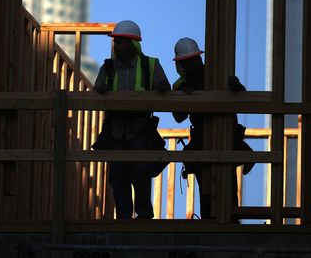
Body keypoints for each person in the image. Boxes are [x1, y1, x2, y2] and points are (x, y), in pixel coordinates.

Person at [91, 20, 171, 219]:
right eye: (115, 42)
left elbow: (165, 89)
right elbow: (97, 90)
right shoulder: (108, 68)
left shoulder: (150, 65)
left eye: (120, 42)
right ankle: (124, 218)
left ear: (133, 44)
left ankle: (144, 216)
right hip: (116, 129)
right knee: (118, 174)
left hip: (140, 127)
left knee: (142, 170)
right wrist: (100, 89)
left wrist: (162, 87)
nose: (116, 46)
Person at [171, 37, 254, 219]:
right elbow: (178, 117)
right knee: (206, 183)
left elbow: (242, 97)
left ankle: (230, 221)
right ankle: (210, 220)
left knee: (228, 183)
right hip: (202, 137)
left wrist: (235, 86)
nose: (193, 65)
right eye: (189, 62)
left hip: (224, 133)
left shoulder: (216, 75)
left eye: (194, 61)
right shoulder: (182, 85)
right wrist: (185, 96)